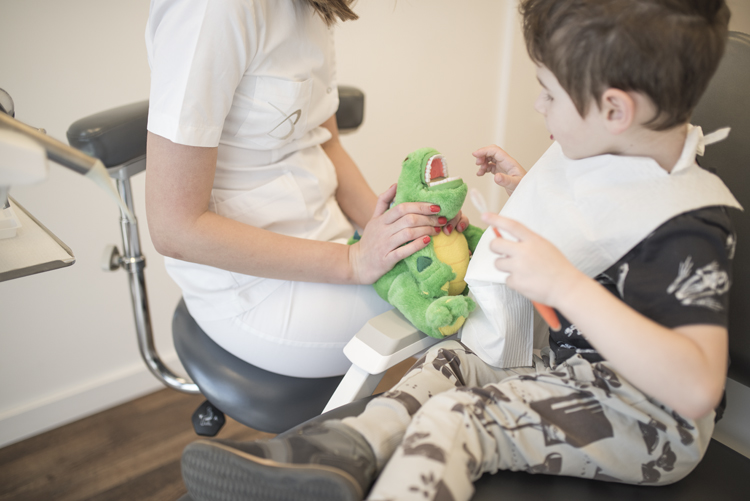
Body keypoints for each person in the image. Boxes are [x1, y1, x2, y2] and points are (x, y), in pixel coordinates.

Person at [179, 0, 742, 500]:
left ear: (615, 110)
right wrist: (530, 192)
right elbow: (603, 238)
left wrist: (564, 285)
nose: (539, 105)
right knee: (447, 362)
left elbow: (694, 387)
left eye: (550, 92)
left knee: (455, 418)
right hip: (570, 371)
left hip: (647, 422)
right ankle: (331, 454)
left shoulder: (687, 225)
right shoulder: (618, 162)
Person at [144, 0, 467, 378]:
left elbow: (326, 143)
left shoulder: (314, 7)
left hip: (333, 242)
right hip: (253, 287)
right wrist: (353, 262)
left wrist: (401, 230)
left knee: (471, 272)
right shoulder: (211, 10)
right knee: (471, 308)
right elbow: (174, 229)